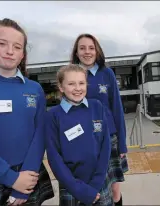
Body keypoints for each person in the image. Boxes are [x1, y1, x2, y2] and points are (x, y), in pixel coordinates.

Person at [0, 18, 54, 206]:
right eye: (2, 44)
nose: (10, 51)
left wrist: (25, 182)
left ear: (23, 54)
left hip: (28, 175)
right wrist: (10, 178)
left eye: (17, 47)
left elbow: (39, 136)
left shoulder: (35, 89)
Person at [70, 33, 129, 206]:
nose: (87, 52)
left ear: (97, 51)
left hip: (110, 138)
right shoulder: (72, 74)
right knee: (93, 188)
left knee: (114, 189)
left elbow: (117, 108)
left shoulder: (107, 73)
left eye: (91, 48)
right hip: (84, 139)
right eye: (82, 48)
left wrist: (123, 144)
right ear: (76, 52)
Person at [45, 64, 112, 206]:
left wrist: (95, 184)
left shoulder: (97, 106)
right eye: (71, 84)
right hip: (72, 187)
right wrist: (79, 190)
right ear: (61, 87)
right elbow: (54, 157)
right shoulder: (52, 116)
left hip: (99, 183)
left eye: (81, 83)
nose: (77, 88)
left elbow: (105, 146)